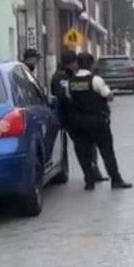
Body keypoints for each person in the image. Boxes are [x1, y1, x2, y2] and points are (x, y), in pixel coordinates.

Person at [68, 52, 131, 190]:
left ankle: (89, 181)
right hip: (98, 122)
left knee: (84, 154)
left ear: (78, 64)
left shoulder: (71, 82)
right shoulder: (95, 80)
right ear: (91, 64)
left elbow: (70, 99)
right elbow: (108, 96)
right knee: (107, 151)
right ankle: (116, 180)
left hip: (79, 123)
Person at [51, 52, 107, 184]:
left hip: (74, 116)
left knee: (87, 145)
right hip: (68, 117)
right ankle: (90, 174)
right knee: (82, 146)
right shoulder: (62, 77)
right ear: (72, 63)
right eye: (76, 62)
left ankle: (93, 172)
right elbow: (64, 96)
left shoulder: (68, 75)